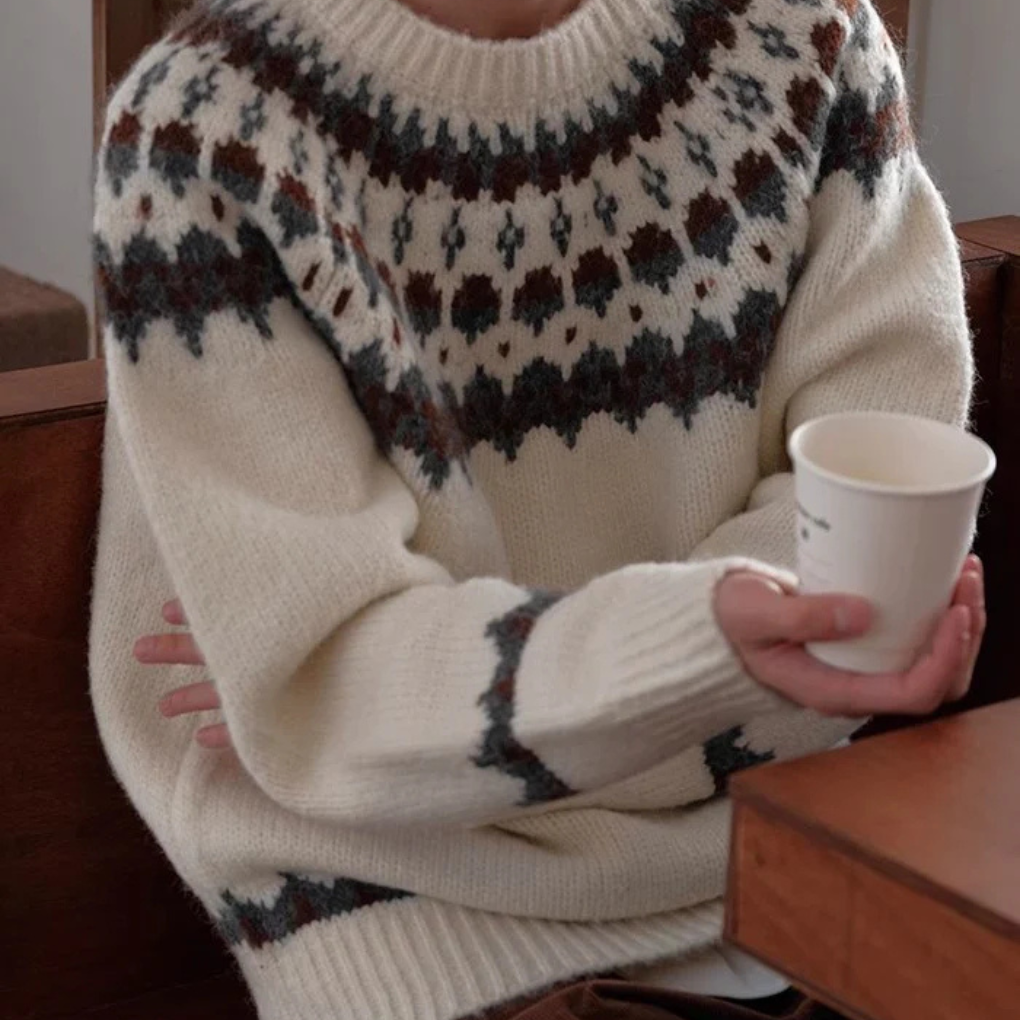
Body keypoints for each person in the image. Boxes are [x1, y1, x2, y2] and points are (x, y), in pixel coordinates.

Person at [90, 0, 983, 1017]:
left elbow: (866, 553)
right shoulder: (207, 129)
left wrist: (438, 708)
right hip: (403, 902)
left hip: (785, 842)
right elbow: (324, 699)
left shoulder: (808, 37)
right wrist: (720, 655)